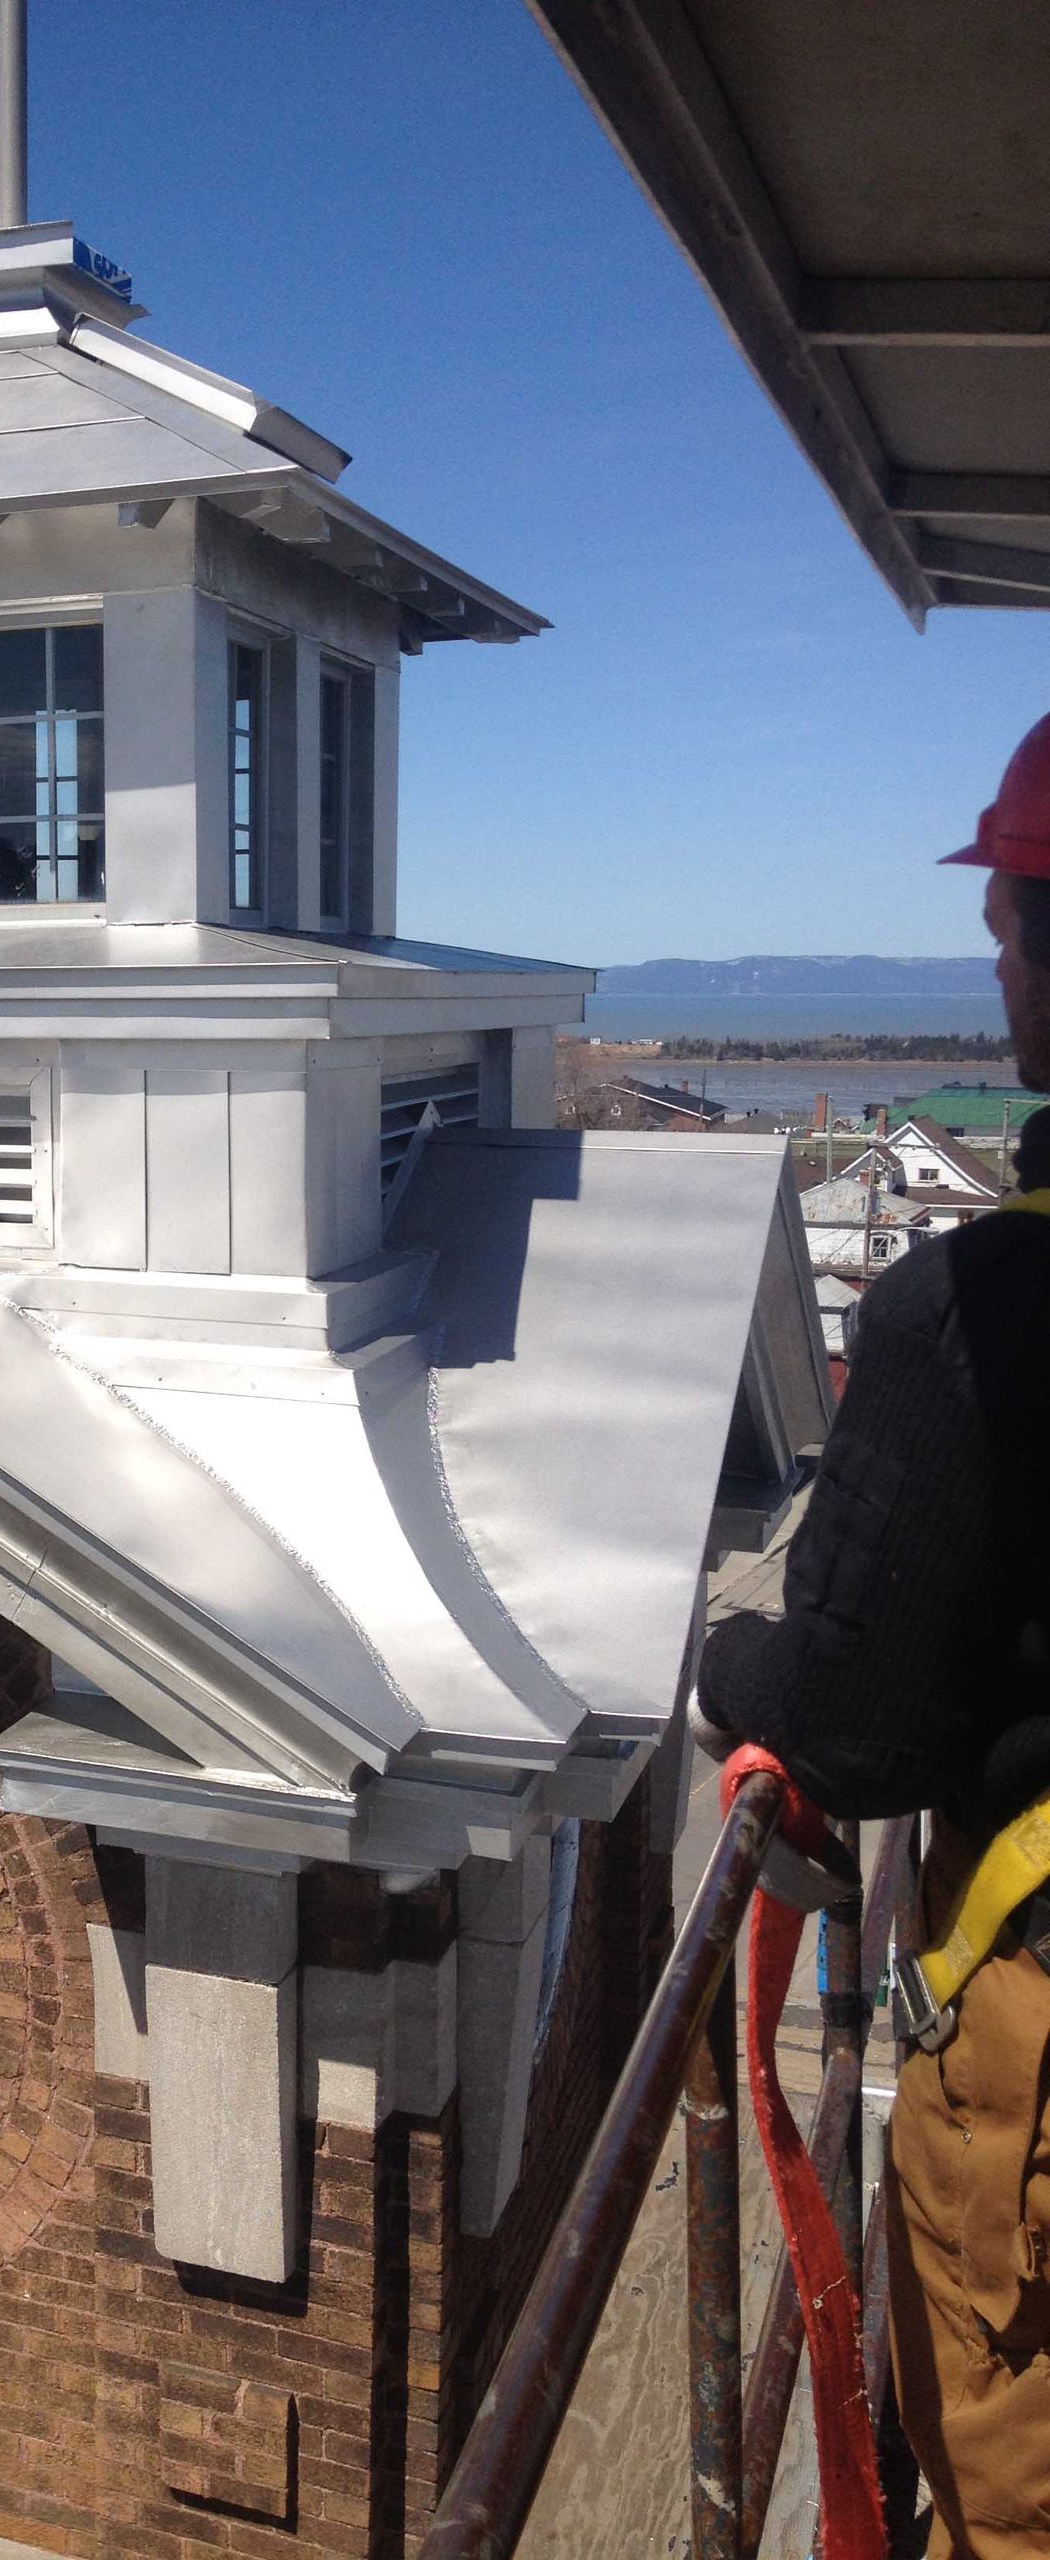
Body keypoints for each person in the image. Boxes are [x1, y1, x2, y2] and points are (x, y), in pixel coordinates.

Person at [695, 710, 1050, 2560]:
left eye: (1008, 930)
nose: (997, 969)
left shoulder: (981, 1317)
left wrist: (732, 1660)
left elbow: (849, 1712)